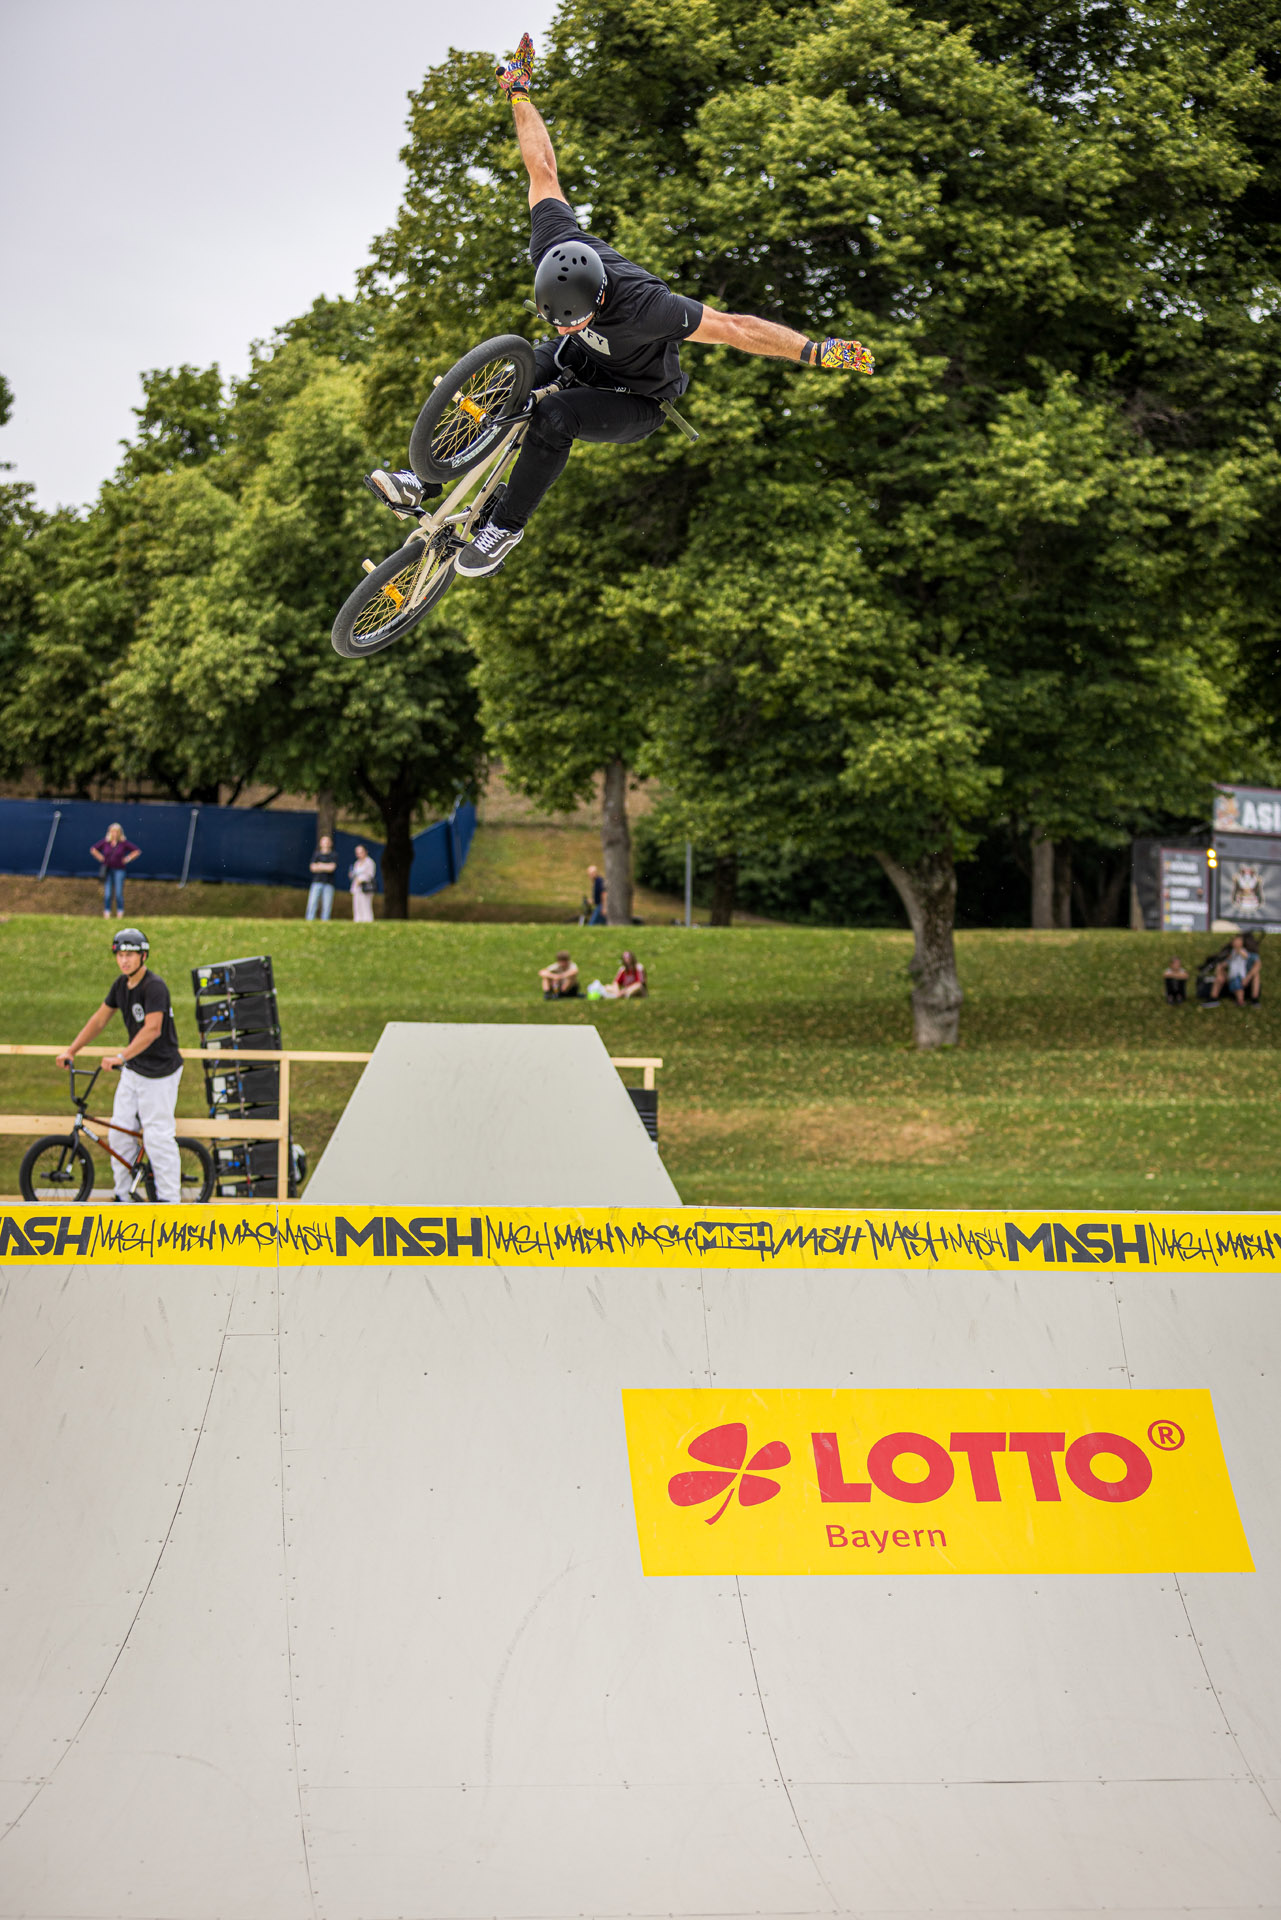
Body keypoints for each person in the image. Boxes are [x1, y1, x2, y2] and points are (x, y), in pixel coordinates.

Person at [365, 31, 873, 576]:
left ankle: (503, 529)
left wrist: (816, 351)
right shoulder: (555, 241)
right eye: (555, 319)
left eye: (574, 320)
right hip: (584, 365)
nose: (564, 327)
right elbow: (542, 168)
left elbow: (736, 328)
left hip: (637, 398)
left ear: (600, 298)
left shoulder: (649, 307)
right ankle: (425, 476)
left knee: (554, 415)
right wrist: (517, 93)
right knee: (511, 375)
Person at [55, 927, 184, 1202]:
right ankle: (124, 1196)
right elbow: (99, 1020)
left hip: (161, 1071)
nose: (125, 960)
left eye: (131, 955)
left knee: (157, 1135)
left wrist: (121, 1057)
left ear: (143, 956)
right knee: (118, 1133)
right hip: (134, 1069)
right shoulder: (120, 986)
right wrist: (72, 1050)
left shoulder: (154, 986)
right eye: (121, 955)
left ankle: (170, 1202)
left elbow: (153, 1029)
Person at [90, 822, 140, 919]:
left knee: (118, 893)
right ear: (110, 832)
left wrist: (127, 859)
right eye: (113, 832)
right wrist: (101, 858)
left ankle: (120, 913)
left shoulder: (123, 843)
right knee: (108, 893)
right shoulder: (105, 842)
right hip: (108, 870)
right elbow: (93, 849)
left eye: (117, 832)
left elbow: (137, 851)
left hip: (119, 870)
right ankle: (107, 912)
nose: (115, 834)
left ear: (120, 833)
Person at [1205, 932, 1261, 1007]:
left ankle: (1250, 1000)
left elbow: (1253, 962)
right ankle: (1213, 998)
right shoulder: (1232, 952)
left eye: (1238, 941)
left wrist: (1247, 978)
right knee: (1234, 984)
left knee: (1244, 983)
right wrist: (1220, 969)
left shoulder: (1246, 953)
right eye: (1235, 941)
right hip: (1232, 976)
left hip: (1242, 976)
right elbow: (1225, 963)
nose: (1235, 943)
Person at [306, 835, 337, 921]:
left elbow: (332, 868)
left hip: (328, 883)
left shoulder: (333, 855)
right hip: (317, 882)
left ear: (330, 843)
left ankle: (325, 921)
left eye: (327, 842)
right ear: (321, 843)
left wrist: (319, 865)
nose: (326, 844)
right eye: (324, 842)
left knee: (327, 905)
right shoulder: (317, 854)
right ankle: (309, 920)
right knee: (312, 903)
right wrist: (325, 866)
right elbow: (312, 867)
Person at [349, 845, 377, 923]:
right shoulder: (357, 863)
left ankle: (367, 920)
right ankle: (358, 920)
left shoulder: (369, 862)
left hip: (365, 887)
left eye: (361, 852)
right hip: (356, 887)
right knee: (357, 905)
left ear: (365, 852)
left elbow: (370, 875)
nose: (359, 854)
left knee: (366, 905)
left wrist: (361, 880)